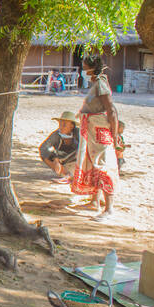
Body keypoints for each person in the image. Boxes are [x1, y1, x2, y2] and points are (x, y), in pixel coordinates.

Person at [70, 55, 120, 222]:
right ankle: (94, 201)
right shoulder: (96, 84)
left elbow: (111, 110)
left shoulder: (101, 85)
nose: (83, 72)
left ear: (91, 69)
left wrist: (114, 134)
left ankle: (109, 209)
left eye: (84, 68)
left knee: (103, 165)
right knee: (92, 162)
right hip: (92, 130)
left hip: (100, 131)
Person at [39, 111, 80, 181]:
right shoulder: (56, 135)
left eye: (64, 125)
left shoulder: (78, 133)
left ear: (72, 126)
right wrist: (55, 159)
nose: (61, 127)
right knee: (44, 155)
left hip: (76, 160)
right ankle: (66, 174)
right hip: (61, 162)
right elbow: (43, 147)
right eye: (60, 124)